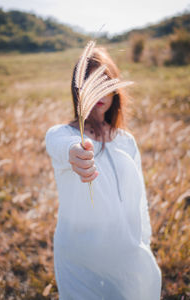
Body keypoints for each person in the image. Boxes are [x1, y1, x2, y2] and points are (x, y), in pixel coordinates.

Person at [45, 46, 162, 300]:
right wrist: (77, 152)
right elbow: (62, 146)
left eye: (105, 81)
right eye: (89, 82)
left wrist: (144, 243)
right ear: (77, 90)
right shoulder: (62, 134)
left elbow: (139, 200)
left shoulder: (126, 141)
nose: (98, 90)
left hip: (123, 255)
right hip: (80, 258)